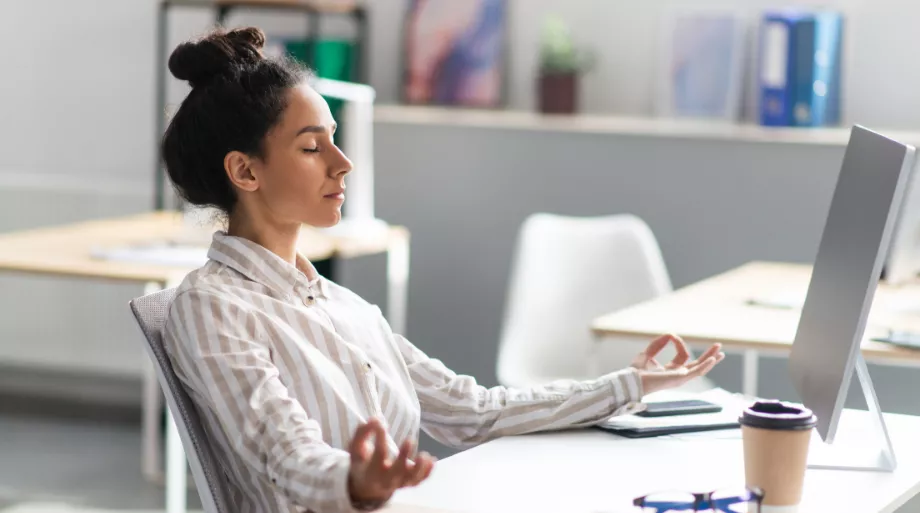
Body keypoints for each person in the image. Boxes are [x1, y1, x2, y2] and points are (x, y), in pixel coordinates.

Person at [161, 26, 726, 513]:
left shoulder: (339, 305)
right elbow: (281, 453)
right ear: (245, 171)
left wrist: (629, 384)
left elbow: (471, 410)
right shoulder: (212, 305)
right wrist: (354, 481)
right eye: (313, 148)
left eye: (335, 139)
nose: (344, 162)